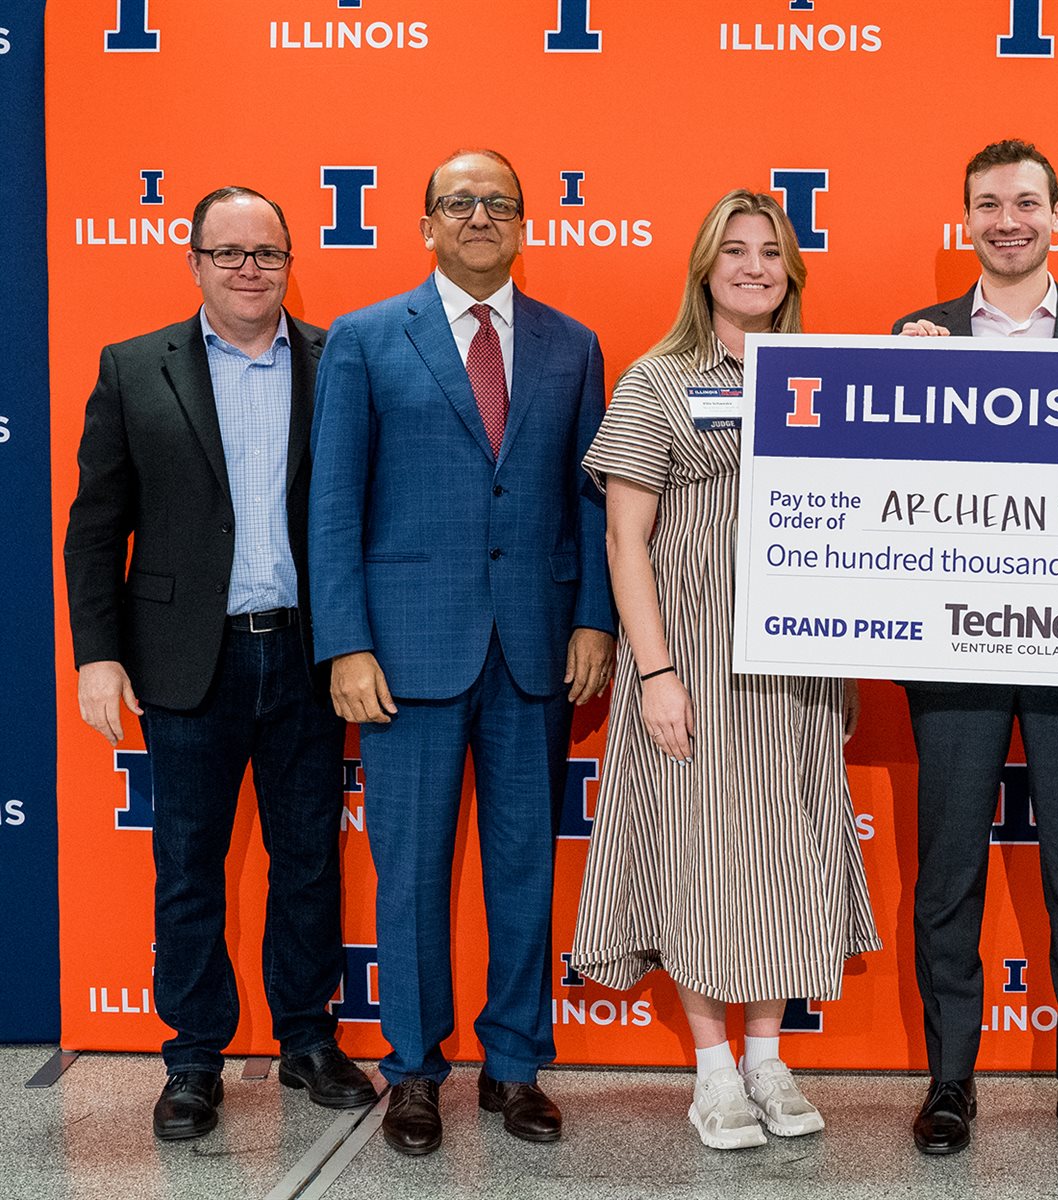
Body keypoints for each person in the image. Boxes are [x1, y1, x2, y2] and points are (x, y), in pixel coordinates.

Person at [307, 150, 616, 1155]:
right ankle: (413, 1071)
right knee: (409, 874)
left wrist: (594, 620)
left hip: (535, 651)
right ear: (427, 224)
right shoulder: (363, 340)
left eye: (499, 203)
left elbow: (591, 499)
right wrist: (346, 644)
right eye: (459, 202)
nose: (480, 216)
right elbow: (333, 505)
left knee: (524, 868)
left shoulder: (573, 345)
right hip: (405, 656)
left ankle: (515, 1065)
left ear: (525, 223)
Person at [569, 189, 880, 1151]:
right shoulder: (656, 380)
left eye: (770, 251)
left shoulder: (827, 380)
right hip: (693, 662)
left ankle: (767, 1059)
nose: (753, 267)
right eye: (734, 250)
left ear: (792, 272)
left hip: (795, 671)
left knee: (783, 858)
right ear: (703, 267)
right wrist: (654, 672)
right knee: (699, 859)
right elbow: (624, 541)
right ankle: (712, 1075)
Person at [64, 186, 376, 1141]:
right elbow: (95, 528)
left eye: (267, 253)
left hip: (308, 654)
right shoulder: (132, 367)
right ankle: (193, 1056)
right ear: (194, 261)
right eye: (229, 252)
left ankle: (306, 1038)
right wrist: (97, 657)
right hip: (183, 660)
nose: (249, 269)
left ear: (291, 262)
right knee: (189, 864)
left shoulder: (336, 359)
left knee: (308, 860)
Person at [893, 139, 1058, 1161]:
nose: (1008, 220)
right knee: (947, 870)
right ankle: (950, 1081)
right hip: (954, 643)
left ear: (1057, 217)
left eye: (1026, 202)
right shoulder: (912, 342)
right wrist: (897, 383)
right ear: (965, 220)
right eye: (988, 203)